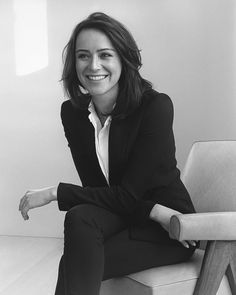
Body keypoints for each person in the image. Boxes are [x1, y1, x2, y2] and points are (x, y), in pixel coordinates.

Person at [19, 12, 198, 295]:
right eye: (83, 56)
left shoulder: (155, 108)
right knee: (80, 217)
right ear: (73, 63)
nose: (93, 65)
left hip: (168, 231)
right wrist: (153, 211)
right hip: (134, 214)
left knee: (76, 260)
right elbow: (98, 190)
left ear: (123, 59)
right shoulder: (73, 114)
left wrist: (55, 192)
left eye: (105, 55)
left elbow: (127, 194)